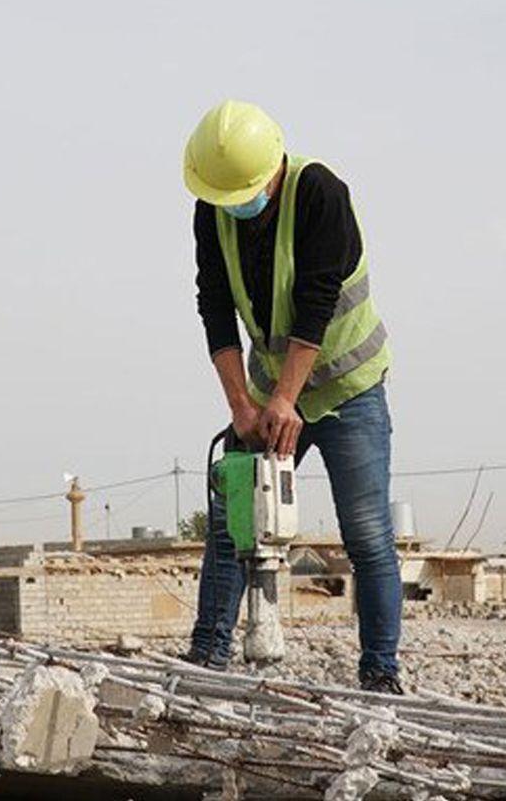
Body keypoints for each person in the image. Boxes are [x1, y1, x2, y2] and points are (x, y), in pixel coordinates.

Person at [182, 100, 402, 692]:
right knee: (234, 522)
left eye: (243, 195)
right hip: (269, 389)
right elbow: (214, 307)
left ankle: (380, 674)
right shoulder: (216, 207)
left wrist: (286, 401)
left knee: (367, 535)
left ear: (271, 171)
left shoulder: (321, 194)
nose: (235, 208)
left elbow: (316, 300)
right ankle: (208, 657)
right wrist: (242, 406)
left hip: (348, 387)